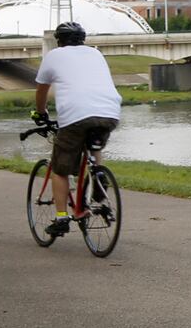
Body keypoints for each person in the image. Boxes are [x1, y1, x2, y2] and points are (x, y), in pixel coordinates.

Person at [32, 21, 123, 237]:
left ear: (59, 40)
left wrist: (41, 113)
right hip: (109, 112)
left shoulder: (53, 56)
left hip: (75, 115)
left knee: (60, 169)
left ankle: (62, 217)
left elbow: (41, 91)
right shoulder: (96, 54)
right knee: (94, 142)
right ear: (83, 39)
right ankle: (98, 175)